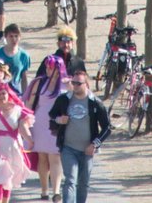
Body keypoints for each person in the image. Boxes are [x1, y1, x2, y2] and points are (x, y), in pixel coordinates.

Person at [46, 67, 110, 203]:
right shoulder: (63, 99)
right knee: (70, 180)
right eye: (73, 82)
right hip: (68, 147)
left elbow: (107, 128)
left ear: (86, 84)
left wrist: (95, 144)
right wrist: (59, 120)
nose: (74, 86)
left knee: (83, 183)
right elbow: (51, 116)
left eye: (78, 83)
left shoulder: (95, 103)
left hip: (87, 150)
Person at [24, 54, 70, 198]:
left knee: (55, 157)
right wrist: (26, 119)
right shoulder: (39, 82)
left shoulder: (67, 84)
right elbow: (30, 103)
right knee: (42, 157)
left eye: (52, 67)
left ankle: (56, 191)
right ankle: (44, 190)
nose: (49, 70)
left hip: (57, 125)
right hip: (39, 123)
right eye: (48, 67)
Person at [0, 21, 33, 91]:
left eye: (16, 36)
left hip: (15, 92)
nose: (14, 39)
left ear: (20, 37)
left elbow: (24, 78)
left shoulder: (24, 56)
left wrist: (25, 96)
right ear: (5, 37)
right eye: (11, 36)